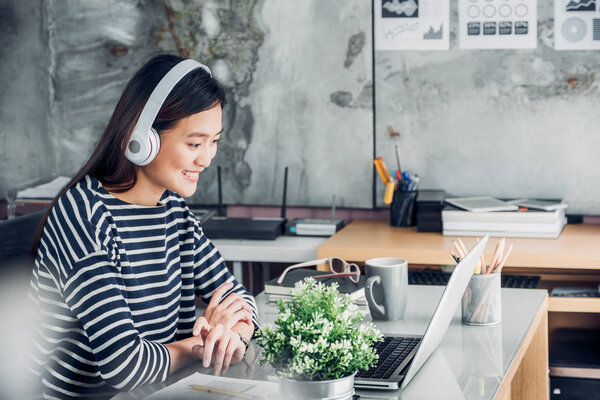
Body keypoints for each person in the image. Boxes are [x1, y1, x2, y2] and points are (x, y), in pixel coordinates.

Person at [27, 53, 257, 399]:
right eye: (195, 143)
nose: (206, 158)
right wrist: (201, 342)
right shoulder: (84, 215)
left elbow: (239, 300)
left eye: (214, 141)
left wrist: (233, 334)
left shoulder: (174, 210)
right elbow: (125, 365)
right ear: (142, 138)